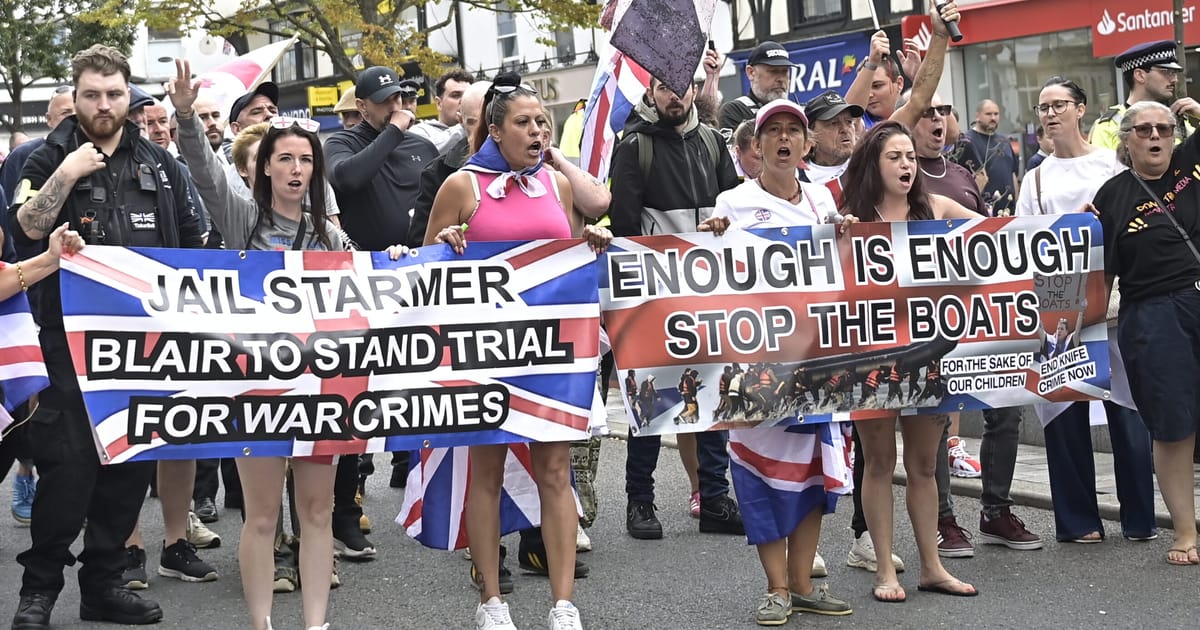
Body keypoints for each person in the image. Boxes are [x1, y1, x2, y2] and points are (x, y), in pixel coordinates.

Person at [9, 44, 204, 630]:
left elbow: (196, 245)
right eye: (91, 94)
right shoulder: (44, 157)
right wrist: (68, 173)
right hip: (64, 343)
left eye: (114, 94)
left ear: (129, 98)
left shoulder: (161, 165)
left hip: (141, 347)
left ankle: (104, 585)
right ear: (75, 97)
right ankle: (39, 591)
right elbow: (25, 227)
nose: (103, 105)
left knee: (125, 469)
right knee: (68, 472)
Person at [422, 71, 610, 630]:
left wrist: (591, 241)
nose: (537, 132)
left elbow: (569, 254)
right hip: (485, 350)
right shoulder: (462, 186)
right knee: (487, 470)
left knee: (555, 470)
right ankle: (491, 600)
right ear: (496, 131)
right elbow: (423, 268)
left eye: (542, 123)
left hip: (550, 350)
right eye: (524, 123)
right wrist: (446, 243)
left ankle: (563, 603)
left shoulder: (556, 184)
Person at [170, 58, 352, 630]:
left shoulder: (329, 233)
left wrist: (398, 259)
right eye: (285, 159)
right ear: (265, 167)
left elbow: (370, 290)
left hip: (322, 389)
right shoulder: (242, 218)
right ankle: (262, 624)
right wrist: (185, 116)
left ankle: (317, 623)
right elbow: (205, 172)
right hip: (257, 388)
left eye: (306, 160)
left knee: (317, 513)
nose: (297, 169)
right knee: (263, 516)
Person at [702, 99, 856, 626]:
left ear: (807, 144)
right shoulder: (733, 202)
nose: (784, 139)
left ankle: (802, 583)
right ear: (756, 145)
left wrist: (846, 234)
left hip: (815, 363)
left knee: (812, 473)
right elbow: (708, 269)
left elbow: (841, 268)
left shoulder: (822, 200)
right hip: (756, 368)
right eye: (774, 132)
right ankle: (775, 588)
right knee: (758, 474)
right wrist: (709, 234)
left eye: (794, 130)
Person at [1014, 76, 1157, 545]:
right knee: (1062, 407)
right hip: (1059, 307)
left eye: (1059, 105)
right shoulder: (1035, 177)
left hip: (1113, 303)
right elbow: (1022, 239)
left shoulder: (1111, 164)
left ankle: (1140, 517)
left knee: (1128, 408)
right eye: (1043, 107)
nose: (1050, 114)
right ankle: (1078, 521)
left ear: (1080, 109)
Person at [841, 121, 979, 602]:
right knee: (879, 462)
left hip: (928, 354)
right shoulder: (851, 217)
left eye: (910, 158)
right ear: (873, 165)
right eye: (894, 157)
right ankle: (884, 568)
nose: (906, 165)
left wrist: (1071, 221)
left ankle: (932, 567)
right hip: (870, 357)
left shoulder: (935, 208)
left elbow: (1003, 234)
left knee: (924, 465)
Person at [608, 72, 745, 541]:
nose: (674, 95)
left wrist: (723, 224)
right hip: (655, 296)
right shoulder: (634, 146)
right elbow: (624, 228)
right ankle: (640, 501)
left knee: (714, 392)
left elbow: (731, 205)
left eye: (681, 86)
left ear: (693, 90)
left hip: (709, 292)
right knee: (651, 397)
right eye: (664, 87)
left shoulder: (711, 141)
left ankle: (715, 498)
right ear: (651, 92)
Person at [1093, 97, 1200, 565]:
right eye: (1144, 130)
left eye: (1165, 129)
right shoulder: (1110, 197)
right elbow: (1100, 278)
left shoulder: (1190, 164)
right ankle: (1185, 532)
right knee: (1172, 426)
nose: (1155, 136)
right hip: (1153, 316)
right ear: (1127, 140)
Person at [325, 65, 438, 252]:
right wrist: (394, 131)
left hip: (421, 258)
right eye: (384, 101)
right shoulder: (341, 142)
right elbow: (347, 179)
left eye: (396, 98)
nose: (393, 107)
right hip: (368, 263)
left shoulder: (423, 146)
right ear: (362, 106)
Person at [1090, 40, 1193, 150]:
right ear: (1139, 75)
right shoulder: (1109, 126)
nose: (1174, 79)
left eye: (1174, 73)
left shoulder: (1176, 119)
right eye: (1166, 71)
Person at [1, 89, 75, 203]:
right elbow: (7, 205)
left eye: (80, 111)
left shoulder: (98, 153)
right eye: (66, 113)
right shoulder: (21, 155)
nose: (75, 117)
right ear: (49, 119)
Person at [718, 41, 794, 136]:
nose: (780, 79)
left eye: (785, 71)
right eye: (773, 71)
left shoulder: (797, 110)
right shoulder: (735, 111)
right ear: (751, 73)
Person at [802, 90, 863, 202]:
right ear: (811, 134)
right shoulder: (794, 177)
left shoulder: (866, 165)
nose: (845, 129)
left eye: (849, 122)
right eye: (833, 123)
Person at [964, 99, 1019, 216]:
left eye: (996, 114)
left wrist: (1016, 202)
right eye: (988, 114)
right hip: (982, 212)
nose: (993, 118)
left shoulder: (1004, 141)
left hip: (1008, 211)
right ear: (977, 116)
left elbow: (1013, 174)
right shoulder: (967, 142)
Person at [409, 69, 474, 151]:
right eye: (456, 95)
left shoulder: (481, 129)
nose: (464, 100)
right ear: (439, 103)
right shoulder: (420, 131)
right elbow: (425, 152)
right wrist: (464, 126)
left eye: (468, 95)